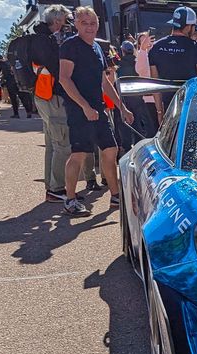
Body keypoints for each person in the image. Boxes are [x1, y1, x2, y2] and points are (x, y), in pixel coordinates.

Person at [58, 6, 133, 217]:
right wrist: (84, 106)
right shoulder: (70, 46)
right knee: (78, 154)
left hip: (98, 109)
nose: (89, 27)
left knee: (111, 150)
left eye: (92, 23)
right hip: (79, 109)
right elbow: (64, 78)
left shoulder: (97, 48)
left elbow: (104, 81)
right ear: (76, 24)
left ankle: (116, 196)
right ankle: (70, 200)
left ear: (98, 25)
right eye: (84, 23)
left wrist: (122, 107)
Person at [30, 4, 79, 202]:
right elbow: (59, 71)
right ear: (57, 20)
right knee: (63, 145)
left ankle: (52, 186)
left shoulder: (38, 39)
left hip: (43, 96)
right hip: (53, 97)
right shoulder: (47, 42)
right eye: (66, 20)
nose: (67, 24)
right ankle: (57, 188)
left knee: (52, 143)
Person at [149, 6, 197, 121]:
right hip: (191, 107)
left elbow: (155, 83)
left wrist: (159, 111)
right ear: (188, 27)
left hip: (168, 108)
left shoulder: (156, 47)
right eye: (194, 27)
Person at [133, 32, 159, 137]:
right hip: (149, 99)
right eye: (143, 41)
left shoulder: (157, 54)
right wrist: (143, 50)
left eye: (149, 40)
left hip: (161, 96)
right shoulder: (140, 56)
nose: (147, 42)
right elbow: (140, 70)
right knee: (153, 129)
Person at [0, 54, 33, 119]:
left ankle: (16, 114)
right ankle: (28, 112)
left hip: (10, 82)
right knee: (22, 96)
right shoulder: (17, 61)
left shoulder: (1, 63)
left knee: (13, 98)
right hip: (19, 81)